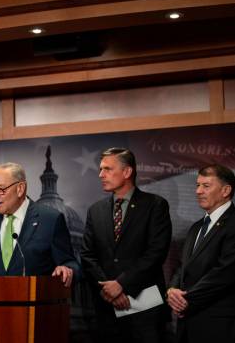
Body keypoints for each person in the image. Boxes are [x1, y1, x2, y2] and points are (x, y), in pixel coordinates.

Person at [80, 147, 172, 343]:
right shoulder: (95, 211)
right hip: (106, 312)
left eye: (107, 169)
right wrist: (109, 290)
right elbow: (87, 255)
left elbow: (156, 253)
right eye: (100, 169)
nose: (100, 175)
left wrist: (121, 284)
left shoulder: (155, 205)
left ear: (127, 172)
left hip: (145, 312)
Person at [166, 164, 235, 343]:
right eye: (197, 185)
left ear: (225, 190)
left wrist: (185, 299)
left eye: (206, 186)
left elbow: (224, 274)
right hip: (190, 324)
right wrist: (171, 290)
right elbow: (182, 266)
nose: (198, 191)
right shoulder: (196, 228)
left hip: (223, 329)